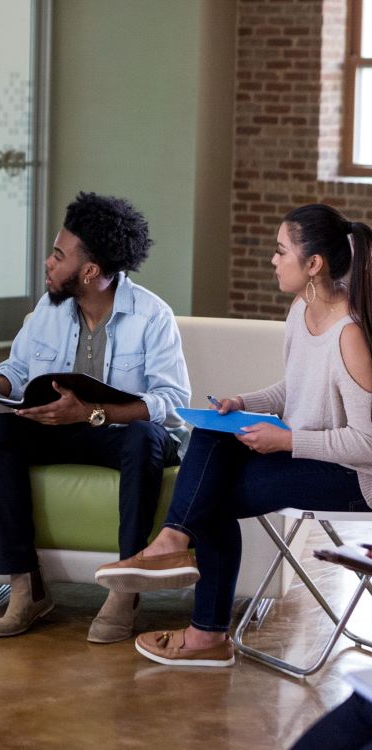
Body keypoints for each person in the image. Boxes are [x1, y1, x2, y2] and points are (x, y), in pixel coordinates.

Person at [95, 204, 372, 667]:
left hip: (352, 477)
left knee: (210, 492)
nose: (273, 259)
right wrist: (244, 403)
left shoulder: (349, 334)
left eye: (281, 250)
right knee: (209, 432)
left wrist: (286, 442)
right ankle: (172, 549)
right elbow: (297, 388)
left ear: (313, 265)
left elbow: (367, 443)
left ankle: (203, 626)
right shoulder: (302, 308)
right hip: (307, 456)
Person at [0, 191, 191, 640]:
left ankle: (126, 588)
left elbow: (171, 398)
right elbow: (16, 366)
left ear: (90, 272)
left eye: (58, 255)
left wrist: (92, 412)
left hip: (119, 435)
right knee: (0, 430)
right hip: (57, 429)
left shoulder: (152, 316)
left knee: (144, 437)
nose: (48, 263)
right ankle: (26, 587)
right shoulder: (47, 310)